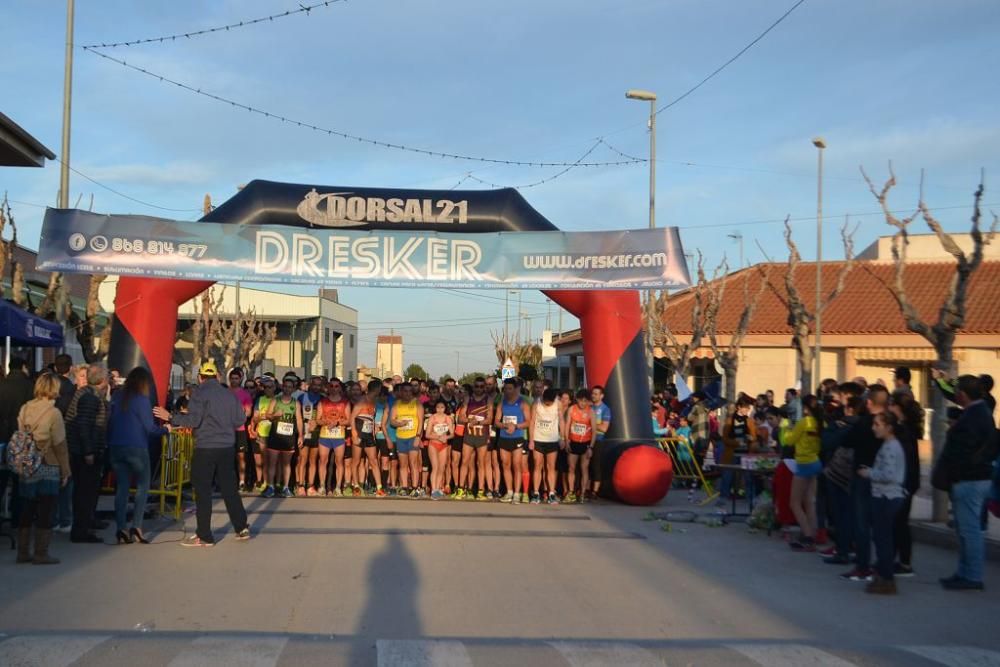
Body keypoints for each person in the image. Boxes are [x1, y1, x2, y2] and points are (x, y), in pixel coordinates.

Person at [155, 360, 250, 547]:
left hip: (206, 447)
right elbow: (240, 418)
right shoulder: (229, 394)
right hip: (226, 447)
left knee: (203, 490)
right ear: (217, 376)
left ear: (200, 377)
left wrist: (171, 417)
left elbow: (193, 420)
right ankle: (241, 527)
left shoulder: (199, 393)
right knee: (229, 489)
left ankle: (205, 535)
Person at [932, 375, 997, 591]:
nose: (956, 394)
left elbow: (965, 451)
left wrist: (956, 473)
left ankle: (972, 576)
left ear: (963, 394)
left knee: (969, 531)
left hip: (970, 479)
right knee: (964, 530)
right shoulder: (979, 413)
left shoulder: (975, 416)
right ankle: (964, 572)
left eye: (958, 391)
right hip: (971, 478)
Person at [14, 373, 70, 564]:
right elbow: (60, 444)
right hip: (48, 464)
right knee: (46, 509)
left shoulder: (25, 408)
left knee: (27, 508)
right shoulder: (54, 413)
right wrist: (66, 470)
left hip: (27, 463)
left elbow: (21, 434)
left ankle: (22, 552)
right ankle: (41, 553)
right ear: (54, 389)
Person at [108, 367, 167, 545]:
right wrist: (165, 429)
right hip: (137, 447)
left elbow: (110, 421)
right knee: (143, 486)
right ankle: (137, 526)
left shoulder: (117, 397)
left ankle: (120, 528)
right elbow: (150, 428)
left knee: (122, 488)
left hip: (116, 445)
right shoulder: (142, 400)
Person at [840, 384, 889, 583]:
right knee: (881, 524)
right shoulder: (893, 423)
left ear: (869, 402)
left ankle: (863, 565)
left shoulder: (864, 423)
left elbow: (847, 441)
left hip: (865, 474)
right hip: (886, 479)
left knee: (862, 523)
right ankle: (882, 565)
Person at [857, 411, 907, 595]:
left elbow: (889, 475)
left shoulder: (892, 447)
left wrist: (868, 473)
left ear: (889, 427)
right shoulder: (887, 445)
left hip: (887, 497)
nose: (873, 428)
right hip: (881, 496)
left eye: (877, 424)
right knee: (880, 539)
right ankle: (882, 575)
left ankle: (887, 579)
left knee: (883, 540)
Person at [65, 364, 109, 544]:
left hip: (80, 449)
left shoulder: (86, 394)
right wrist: (89, 451)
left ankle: (85, 524)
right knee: (85, 492)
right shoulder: (90, 398)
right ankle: (81, 530)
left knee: (84, 491)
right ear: (101, 380)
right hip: (85, 452)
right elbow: (84, 425)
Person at [889, 390, 924, 577]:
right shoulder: (903, 429)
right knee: (898, 522)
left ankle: (904, 562)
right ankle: (897, 559)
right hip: (905, 482)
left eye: (892, 405)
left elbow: (905, 461)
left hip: (903, 483)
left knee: (900, 522)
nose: (889, 408)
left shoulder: (904, 432)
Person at [785, 395, 823, 552]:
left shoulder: (803, 422)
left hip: (803, 463)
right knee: (809, 501)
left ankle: (807, 536)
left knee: (794, 502)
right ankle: (813, 534)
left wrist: (787, 430)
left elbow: (789, 441)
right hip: (816, 461)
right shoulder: (820, 422)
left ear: (805, 407)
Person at [0, 357, 35, 528]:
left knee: (1, 479)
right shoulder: (29, 387)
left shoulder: (2, 385)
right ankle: (17, 519)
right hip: (21, 439)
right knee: (19, 481)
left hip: (1, 437)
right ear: (23, 368)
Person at [263, 375, 304, 498]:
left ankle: (285, 487)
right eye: (285, 386)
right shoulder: (276, 400)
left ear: (293, 389)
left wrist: (301, 436)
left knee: (286, 463)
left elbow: (299, 420)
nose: (287, 389)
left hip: (288, 436)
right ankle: (270, 486)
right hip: (275, 435)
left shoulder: (295, 403)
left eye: (290, 387)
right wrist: (275, 415)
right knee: (272, 462)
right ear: (282, 387)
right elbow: (267, 415)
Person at [495, 378, 532, 504]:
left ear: (516, 389)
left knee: (517, 465)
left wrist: (515, 426)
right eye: (505, 389)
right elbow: (496, 421)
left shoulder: (523, 404)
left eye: (510, 388)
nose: (507, 391)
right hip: (504, 438)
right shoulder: (502, 403)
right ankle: (509, 491)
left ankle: (517, 493)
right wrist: (504, 426)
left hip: (517, 437)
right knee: (505, 464)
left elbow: (528, 422)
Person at [460, 377, 493, 501]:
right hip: (469, 434)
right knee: (465, 462)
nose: (478, 389)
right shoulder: (468, 399)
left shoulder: (488, 400)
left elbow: (490, 419)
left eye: (481, 386)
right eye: (476, 386)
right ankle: (461, 488)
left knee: (481, 463)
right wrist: (469, 420)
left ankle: (480, 490)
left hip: (482, 435)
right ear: (473, 387)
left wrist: (478, 422)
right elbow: (461, 417)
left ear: (484, 387)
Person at [316, 379, 351, 496]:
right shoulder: (323, 402)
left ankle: (337, 487)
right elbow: (318, 419)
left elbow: (348, 420)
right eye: (331, 386)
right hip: (325, 435)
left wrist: (337, 423)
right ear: (328, 388)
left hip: (339, 436)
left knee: (339, 461)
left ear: (340, 388)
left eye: (336, 386)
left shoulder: (345, 402)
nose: (334, 388)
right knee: (323, 461)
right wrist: (325, 421)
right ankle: (322, 486)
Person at [390, 382, 424, 497]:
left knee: (413, 463)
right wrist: (399, 423)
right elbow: (392, 421)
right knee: (403, 464)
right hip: (401, 437)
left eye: (410, 391)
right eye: (405, 391)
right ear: (401, 392)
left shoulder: (417, 403)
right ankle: (404, 487)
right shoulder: (397, 404)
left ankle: (415, 488)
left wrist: (418, 437)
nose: (408, 393)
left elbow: (420, 421)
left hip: (413, 436)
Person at [530, 387, 563, 504]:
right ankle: (535, 493)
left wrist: (562, 438)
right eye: (546, 402)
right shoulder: (536, 403)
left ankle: (551, 493)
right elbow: (532, 421)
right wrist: (531, 440)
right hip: (538, 439)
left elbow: (561, 421)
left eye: (550, 402)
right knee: (537, 466)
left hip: (552, 440)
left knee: (551, 467)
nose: (548, 404)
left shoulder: (558, 404)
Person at [352, 380, 385, 496]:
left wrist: (373, 431)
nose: (381, 391)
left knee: (374, 460)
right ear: (376, 389)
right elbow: (352, 418)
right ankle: (356, 487)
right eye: (380, 389)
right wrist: (354, 434)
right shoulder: (362, 400)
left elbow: (372, 418)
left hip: (369, 433)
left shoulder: (374, 402)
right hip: (359, 432)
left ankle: (379, 488)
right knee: (356, 461)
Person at [564, 389, 595, 503]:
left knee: (584, 469)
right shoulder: (572, 409)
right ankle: (571, 492)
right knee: (571, 468)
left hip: (586, 443)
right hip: (573, 442)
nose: (583, 403)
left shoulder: (590, 412)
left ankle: (582, 493)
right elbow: (567, 425)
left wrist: (591, 447)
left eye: (585, 401)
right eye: (581, 401)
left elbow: (594, 432)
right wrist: (567, 440)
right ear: (577, 400)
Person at [227, 369, 254, 493]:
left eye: (236, 378)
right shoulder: (224, 393)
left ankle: (242, 481)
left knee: (241, 456)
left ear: (240, 379)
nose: (234, 380)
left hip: (240, 430)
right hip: (226, 431)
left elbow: (248, 413)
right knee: (226, 457)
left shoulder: (245, 395)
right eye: (232, 378)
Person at [297, 376, 325, 496]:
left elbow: (324, 416)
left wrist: (317, 422)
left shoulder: (323, 399)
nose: (317, 387)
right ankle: (301, 485)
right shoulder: (302, 397)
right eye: (315, 384)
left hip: (317, 431)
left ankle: (310, 486)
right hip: (304, 430)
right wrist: (300, 432)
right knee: (303, 459)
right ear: (310, 384)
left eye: (319, 385)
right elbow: (297, 415)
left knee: (313, 460)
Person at [251, 377, 277, 492]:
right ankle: (265, 482)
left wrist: (268, 416)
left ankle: (274, 483)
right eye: (265, 387)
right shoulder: (260, 400)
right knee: (264, 459)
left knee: (274, 460)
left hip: (275, 433)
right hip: (263, 432)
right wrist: (262, 417)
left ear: (274, 388)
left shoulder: (278, 400)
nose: (268, 390)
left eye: (270, 387)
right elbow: (255, 418)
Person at [424, 399, 454, 499]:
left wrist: (446, 437)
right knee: (435, 467)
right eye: (438, 407)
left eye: (442, 407)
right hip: (433, 444)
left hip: (444, 445)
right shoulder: (432, 418)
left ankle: (438, 488)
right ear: (435, 408)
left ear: (445, 408)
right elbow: (427, 434)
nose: (440, 410)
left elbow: (452, 434)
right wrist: (437, 437)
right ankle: (434, 489)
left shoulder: (448, 418)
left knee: (442, 468)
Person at [588, 385, 611, 498]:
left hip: (598, 440)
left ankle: (595, 491)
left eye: (596, 394)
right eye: (593, 393)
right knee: (585, 465)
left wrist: (591, 424)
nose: (593, 396)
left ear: (602, 396)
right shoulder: (589, 407)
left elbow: (604, 428)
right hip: (586, 439)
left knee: (596, 465)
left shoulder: (605, 409)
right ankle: (585, 489)